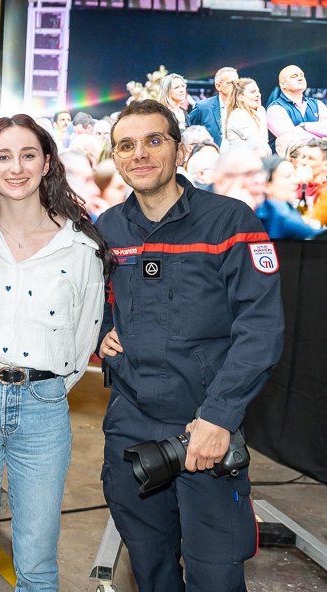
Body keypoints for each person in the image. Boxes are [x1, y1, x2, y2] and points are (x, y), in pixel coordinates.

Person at [96, 99, 284, 591]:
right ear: (116, 158)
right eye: (126, 145)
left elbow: (261, 327)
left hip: (204, 425)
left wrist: (219, 417)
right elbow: (86, 301)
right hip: (131, 425)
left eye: (154, 141)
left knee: (216, 574)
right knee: (150, 568)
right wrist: (100, 331)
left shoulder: (231, 222)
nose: (140, 154)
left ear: (180, 152)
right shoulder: (107, 230)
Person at [0, 113, 107, 591]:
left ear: (47, 163)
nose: (16, 168)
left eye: (28, 155)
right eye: (4, 156)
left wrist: (45, 390)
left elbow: (83, 339)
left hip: (44, 411)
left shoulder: (80, 248)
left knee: (37, 561)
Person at [256, 156, 325, 239]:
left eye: (294, 175)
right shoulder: (280, 215)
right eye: (287, 176)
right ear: (267, 186)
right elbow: (316, 236)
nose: (295, 181)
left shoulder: (277, 209)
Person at [266, 65, 327, 147]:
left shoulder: (318, 104)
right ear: (283, 84)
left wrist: (305, 126)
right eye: (294, 76)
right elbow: (292, 139)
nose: (300, 78)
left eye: (302, 75)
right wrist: (322, 140)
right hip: (291, 155)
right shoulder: (275, 109)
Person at [187, 66, 238, 146]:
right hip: (211, 152)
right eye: (230, 83)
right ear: (218, 86)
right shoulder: (203, 107)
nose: (235, 86)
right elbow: (187, 131)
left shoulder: (243, 107)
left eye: (237, 83)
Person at [224, 78, 270, 154]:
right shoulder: (239, 115)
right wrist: (261, 115)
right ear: (240, 97)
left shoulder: (249, 114)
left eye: (258, 91)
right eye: (253, 92)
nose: (258, 95)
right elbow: (261, 146)